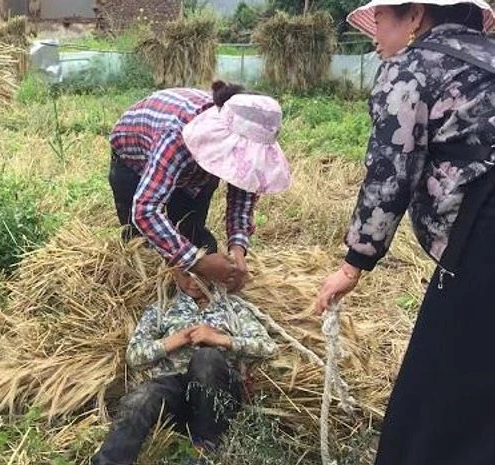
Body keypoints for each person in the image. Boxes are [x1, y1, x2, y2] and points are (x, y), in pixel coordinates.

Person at [315, 1, 495, 463]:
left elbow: (390, 174)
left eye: (381, 18)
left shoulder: (411, 69)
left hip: (485, 239)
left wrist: (353, 264)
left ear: (416, 16)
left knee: (439, 391)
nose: (373, 32)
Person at [109, 83, 291, 293]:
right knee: (142, 244)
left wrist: (237, 251)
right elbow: (145, 210)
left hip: (188, 169)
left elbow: (241, 201)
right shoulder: (176, 134)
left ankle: (186, 278)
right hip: (134, 159)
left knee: (191, 232)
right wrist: (195, 262)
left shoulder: (245, 154)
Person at [91, 269, 277, 465]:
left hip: (218, 394)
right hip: (174, 388)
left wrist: (219, 339)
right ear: (173, 274)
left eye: (201, 274)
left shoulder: (232, 308)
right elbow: (135, 356)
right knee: (141, 398)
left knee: (206, 358)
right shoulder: (161, 309)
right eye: (186, 275)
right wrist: (179, 338)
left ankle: (204, 450)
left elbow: (268, 348)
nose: (194, 282)